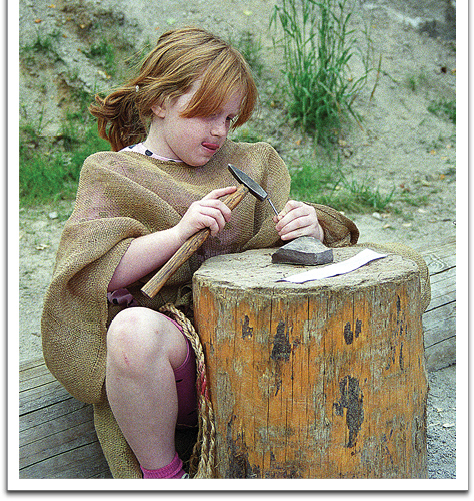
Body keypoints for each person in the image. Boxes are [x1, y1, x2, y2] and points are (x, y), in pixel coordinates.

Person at [41, 27, 361, 479]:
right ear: (160, 100)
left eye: (230, 119)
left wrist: (309, 226)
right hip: (180, 363)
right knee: (132, 331)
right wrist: (177, 234)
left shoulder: (250, 164)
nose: (219, 131)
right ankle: (166, 477)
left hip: (261, 351)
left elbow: (287, 240)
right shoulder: (114, 172)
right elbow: (93, 274)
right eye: (209, 113)